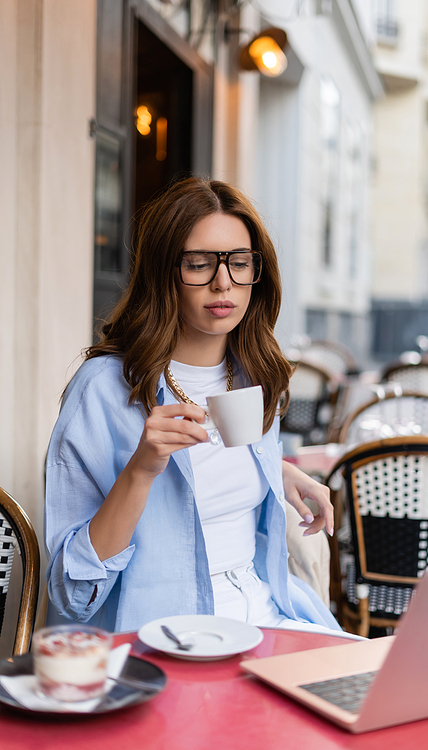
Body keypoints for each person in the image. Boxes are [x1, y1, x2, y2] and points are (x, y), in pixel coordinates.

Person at [44, 177, 342, 635]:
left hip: (268, 610)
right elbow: (72, 591)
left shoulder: (250, 371)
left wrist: (277, 471)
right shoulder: (103, 389)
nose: (223, 282)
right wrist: (141, 470)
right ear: (165, 273)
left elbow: (217, 465)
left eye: (239, 263)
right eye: (199, 264)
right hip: (168, 633)